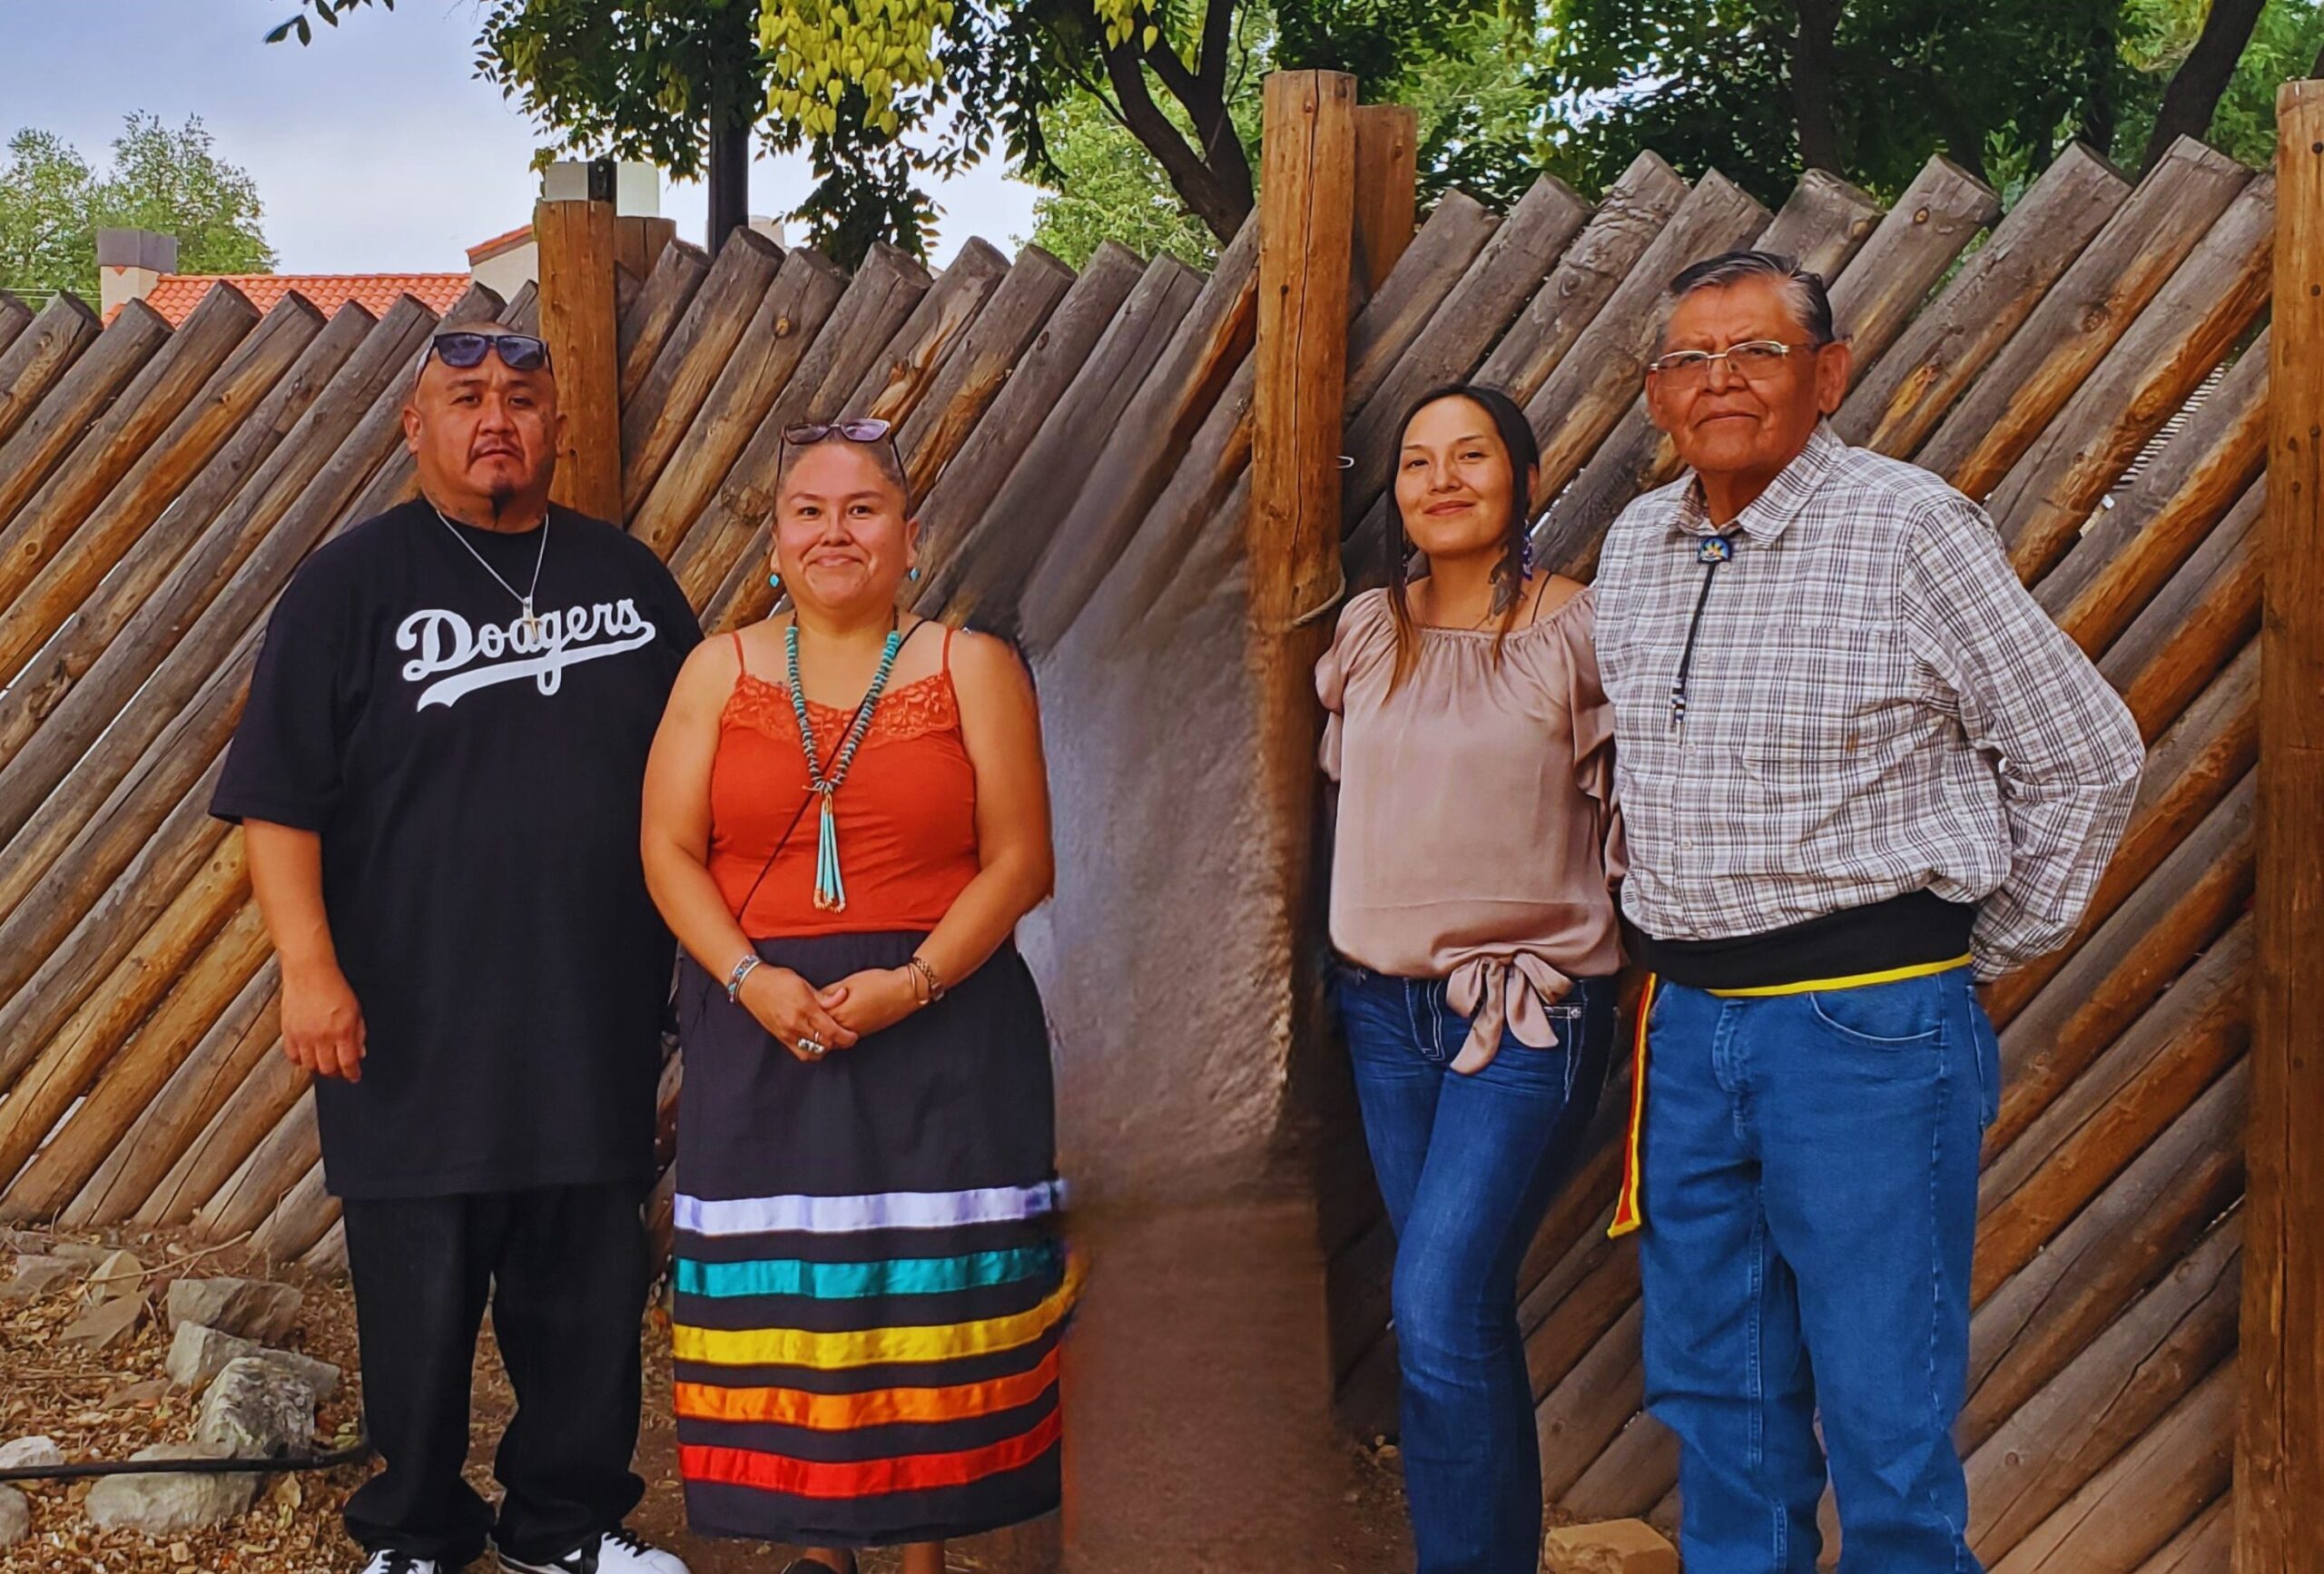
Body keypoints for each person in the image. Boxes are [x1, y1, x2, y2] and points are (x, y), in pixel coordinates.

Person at [1592, 251, 2147, 1572]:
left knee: (1885, 1409)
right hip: (1685, 1023)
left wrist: (1965, 954)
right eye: (1688, 359)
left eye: (1758, 351)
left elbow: (2088, 751)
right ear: (1658, 396)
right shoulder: (1635, 543)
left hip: (1865, 1034)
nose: (1718, 380)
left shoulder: (1907, 527)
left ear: (1828, 374)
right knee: (1717, 1398)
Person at [212, 321, 699, 1574]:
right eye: (466, 395)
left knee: (586, 1300)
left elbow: (706, 785)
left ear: (558, 427)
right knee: (417, 1302)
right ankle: (417, 1534)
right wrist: (307, 966)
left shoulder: (632, 584)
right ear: (412, 427)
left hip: (591, 1016)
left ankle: (564, 1527)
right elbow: (278, 799)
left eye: (523, 397)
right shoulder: (346, 587)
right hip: (407, 1023)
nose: (497, 417)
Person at [639, 417, 1070, 1574]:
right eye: (810, 512)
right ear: (774, 541)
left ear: (910, 536)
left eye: (863, 509)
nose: (836, 533)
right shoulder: (713, 672)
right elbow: (668, 852)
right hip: (761, 1024)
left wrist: (914, 981)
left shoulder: (969, 665)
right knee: (802, 1296)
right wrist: (748, 978)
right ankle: (816, 1548)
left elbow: (1022, 861)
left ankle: (919, 1553)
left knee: (917, 1294)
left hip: (946, 1020)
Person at [1316, 384, 1624, 1574]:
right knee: (1462, 1309)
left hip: (1528, 1012)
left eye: (1473, 456)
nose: (1441, 480)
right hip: (1382, 1013)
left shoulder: (1577, 628)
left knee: (1437, 1304)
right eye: (1417, 462)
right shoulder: (1364, 629)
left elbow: (1631, 820)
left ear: (1524, 480)